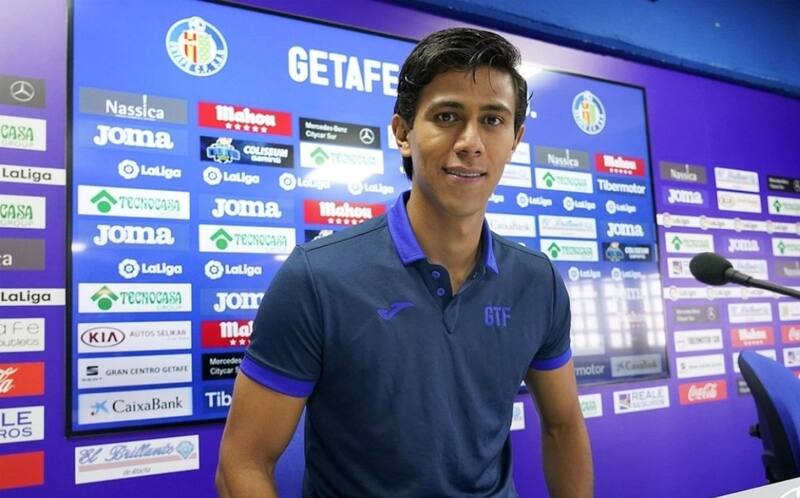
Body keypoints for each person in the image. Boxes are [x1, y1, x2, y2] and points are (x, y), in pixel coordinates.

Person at [216, 27, 593, 498]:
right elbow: (243, 463)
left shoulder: (538, 281)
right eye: (447, 116)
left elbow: (563, 425)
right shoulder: (317, 277)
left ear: (515, 140)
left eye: (493, 120)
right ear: (403, 133)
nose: (471, 142)